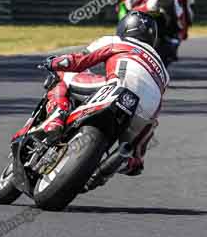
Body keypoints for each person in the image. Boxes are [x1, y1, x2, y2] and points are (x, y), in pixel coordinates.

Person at [25, 11, 169, 176]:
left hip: (117, 89)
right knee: (144, 131)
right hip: (144, 115)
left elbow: (79, 61)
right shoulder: (163, 70)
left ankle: (55, 120)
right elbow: (158, 103)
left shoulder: (116, 41)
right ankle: (132, 159)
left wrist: (53, 62)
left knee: (63, 75)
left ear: (125, 26)